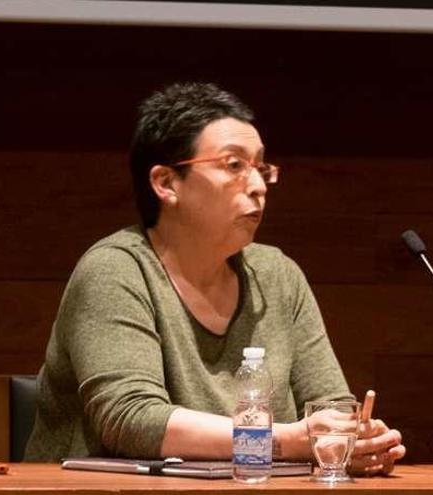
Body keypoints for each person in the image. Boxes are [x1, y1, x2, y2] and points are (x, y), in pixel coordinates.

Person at [24, 82, 406, 474]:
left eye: (260, 168)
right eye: (234, 165)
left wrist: (349, 440)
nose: (258, 186)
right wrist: (286, 440)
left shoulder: (278, 276)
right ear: (166, 183)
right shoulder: (115, 270)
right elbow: (132, 419)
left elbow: (327, 406)